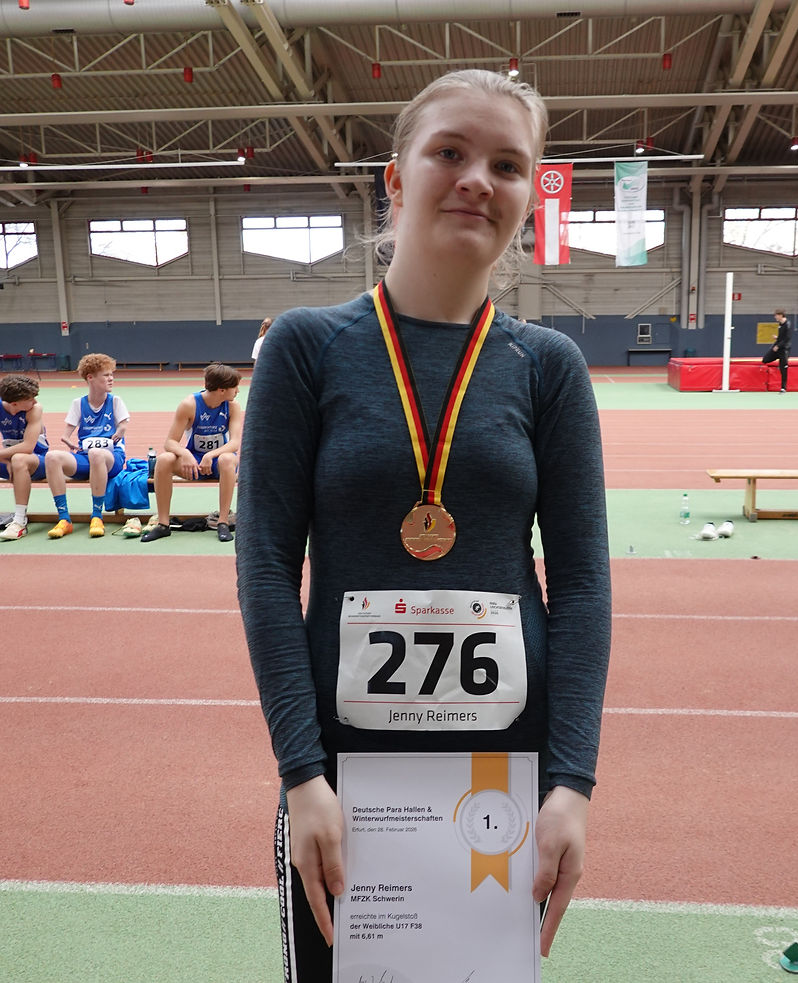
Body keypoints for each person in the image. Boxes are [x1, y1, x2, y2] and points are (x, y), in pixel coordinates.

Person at [236, 68, 611, 981]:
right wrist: (300, 772)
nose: (479, 177)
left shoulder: (547, 365)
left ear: (528, 195)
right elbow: (266, 562)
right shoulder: (306, 346)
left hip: (499, 781)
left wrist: (570, 784)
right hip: (340, 780)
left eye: (508, 164)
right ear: (397, 177)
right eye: (450, 151)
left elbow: (585, 581)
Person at [141, 362, 242, 543]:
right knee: (164, 459)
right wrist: (186, 454)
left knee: (227, 459)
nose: (238, 391)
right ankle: (163, 524)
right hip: (193, 462)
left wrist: (210, 455)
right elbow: (169, 442)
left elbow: (234, 443)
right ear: (221, 390)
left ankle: (223, 522)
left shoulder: (233, 407)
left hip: (217, 461)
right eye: (235, 387)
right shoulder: (189, 405)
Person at [43, 353, 129, 539]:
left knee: (97, 453)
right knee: (52, 457)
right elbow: (66, 433)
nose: (111, 378)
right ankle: (64, 518)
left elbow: (123, 423)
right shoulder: (78, 404)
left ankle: (97, 516)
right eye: (106, 375)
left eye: (112, 374)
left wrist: (121, 431)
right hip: (86, 457)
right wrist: (67, 440)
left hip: (111, 458)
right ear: (90, 377)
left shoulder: (115, 401)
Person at [0, 374, 49, 541]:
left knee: (19, 458)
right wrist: (4, 459)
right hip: (9, 461)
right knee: (15, 459)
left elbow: (28, 447)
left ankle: (19, 521)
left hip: (38, 461)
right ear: (15, 403)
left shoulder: (35, 409)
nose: (35, 402)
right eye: (31, 398)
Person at [762, 308, 792, 392]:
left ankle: (783, 387)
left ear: (780, 315)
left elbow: (787, 338)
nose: (775, 317)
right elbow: (782, 337)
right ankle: (780, 361)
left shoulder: (788, 324)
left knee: (783, 368)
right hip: (777, 347)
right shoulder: (780, 324)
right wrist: (777, 338)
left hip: (784, 349)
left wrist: (778, 345)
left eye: (776, 316)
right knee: (765, 359)